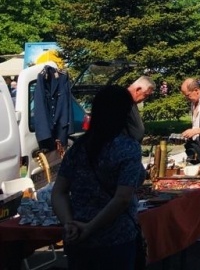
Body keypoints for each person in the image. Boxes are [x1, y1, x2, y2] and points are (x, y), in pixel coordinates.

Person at [52, 85, 146, 269]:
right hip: (115, 238)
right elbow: (122, 198)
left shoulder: (79, 147)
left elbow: (58, 192)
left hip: (79, 237)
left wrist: (69, 223)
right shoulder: (127, 147)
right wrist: (90, 227)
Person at [125, 76, 155, 143]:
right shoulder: (122, 101)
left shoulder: (132, 101)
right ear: (138, 90)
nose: (145, 98)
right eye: (146, 95)